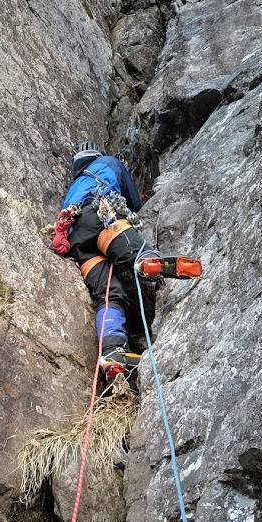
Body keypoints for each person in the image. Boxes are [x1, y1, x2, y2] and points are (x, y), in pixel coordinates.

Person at [51, 140, 202, 380]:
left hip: (76, 240)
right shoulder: (108, 163)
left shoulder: (74, 188)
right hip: (99, 214)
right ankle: (145, 261)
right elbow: (133, 201)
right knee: (130, 249)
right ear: (96, 154)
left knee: (109, 294)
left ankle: (113, 353)